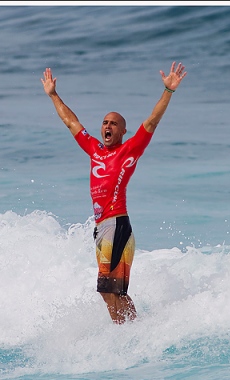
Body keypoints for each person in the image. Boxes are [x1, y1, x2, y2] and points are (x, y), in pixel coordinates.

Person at [41, 62, 187, 324]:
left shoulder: (129, 150)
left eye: (114, 124)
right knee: (113, 291)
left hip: (117, 224)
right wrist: (53, 95)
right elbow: (71, 121)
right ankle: (134, 330)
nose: (107, 126)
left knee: (108, 289)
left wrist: (168, 91)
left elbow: (152, 121)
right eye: (105, 122)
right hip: (102, 228)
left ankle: (126, 332)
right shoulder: (95, 150)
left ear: (122, 131)